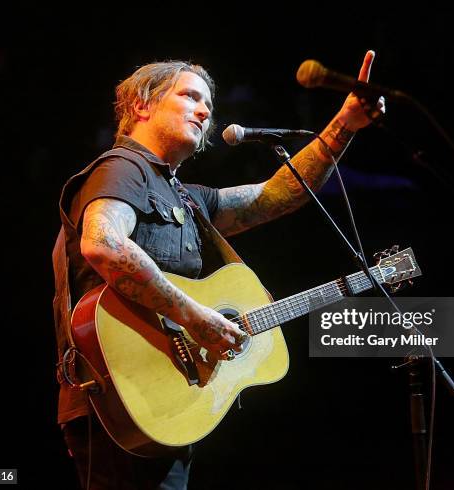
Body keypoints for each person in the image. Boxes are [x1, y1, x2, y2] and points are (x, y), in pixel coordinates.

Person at [52, 51, 384, 489]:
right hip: (114, 394)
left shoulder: (185, 198)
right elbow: (104, 244)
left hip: (161, 398)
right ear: (141, 105)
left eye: (208, 103)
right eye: (190, 96)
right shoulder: (124, 169)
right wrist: (196, 317)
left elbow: (275, 196)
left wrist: (344, 125)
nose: (206, 111)